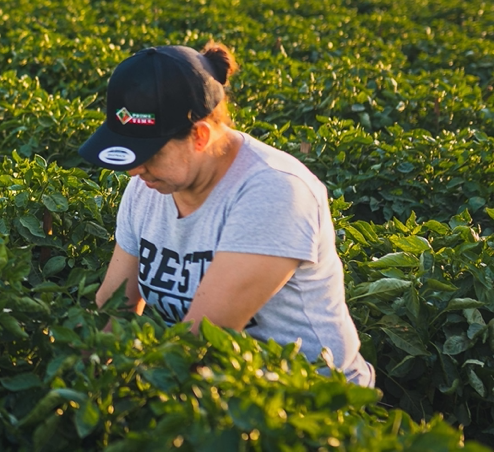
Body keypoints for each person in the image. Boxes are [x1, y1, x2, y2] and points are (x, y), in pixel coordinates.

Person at [82, 42, 374, 387]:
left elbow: (200, 340)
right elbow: (114, 309)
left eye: (150, 154)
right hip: (223, 391)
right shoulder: (148, 189)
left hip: (313, 403)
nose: (134, 171)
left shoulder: (273, 192)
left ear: (200, 136)